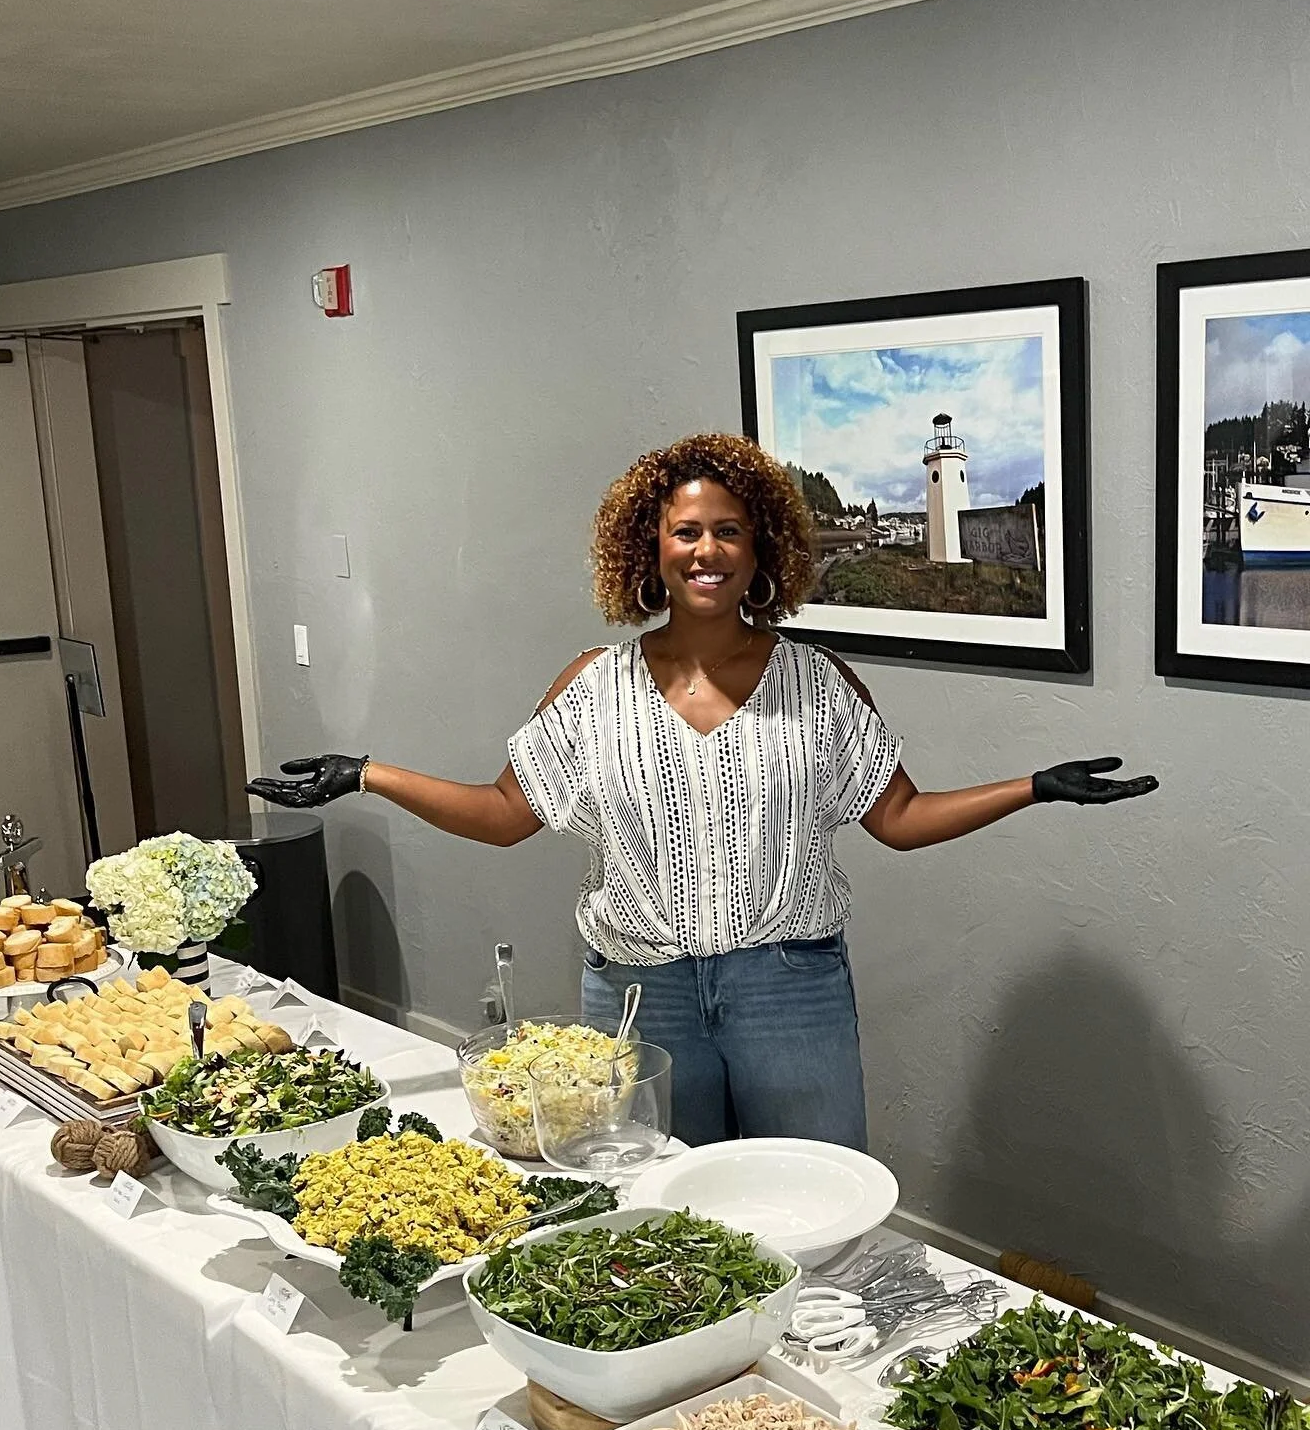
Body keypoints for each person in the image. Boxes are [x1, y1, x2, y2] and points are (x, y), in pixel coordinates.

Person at [248, 433, 1156, 1150]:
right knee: (666, 1217)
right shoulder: (593, 686)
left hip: (788, 989)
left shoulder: (817, 683)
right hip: (644, 996)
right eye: (687, 532)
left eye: (729, 530)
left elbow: (902, 820)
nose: (707, 550)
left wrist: (1035, 787)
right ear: (653, 546)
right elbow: (503, 815)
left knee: (813, 1205)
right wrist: (366, 773)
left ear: (762, 547)